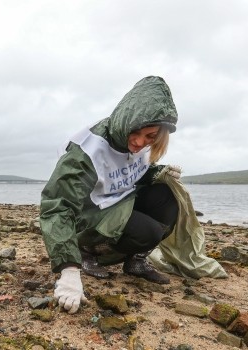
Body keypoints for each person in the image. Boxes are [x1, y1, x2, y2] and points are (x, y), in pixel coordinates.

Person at [40, 76, 183, 314]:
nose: (140, 143)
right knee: (149, 232)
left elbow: (131, 175)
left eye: (150, 137)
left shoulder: (143, 144)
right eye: (136, 133)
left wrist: (158, 173)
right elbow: (58, 207)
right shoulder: (86, 151)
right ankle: (86, 253)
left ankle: (135, 262)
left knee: (166, 196)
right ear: (127, 121)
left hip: (119, 202)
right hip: (89, 218)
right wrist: (68, 270)